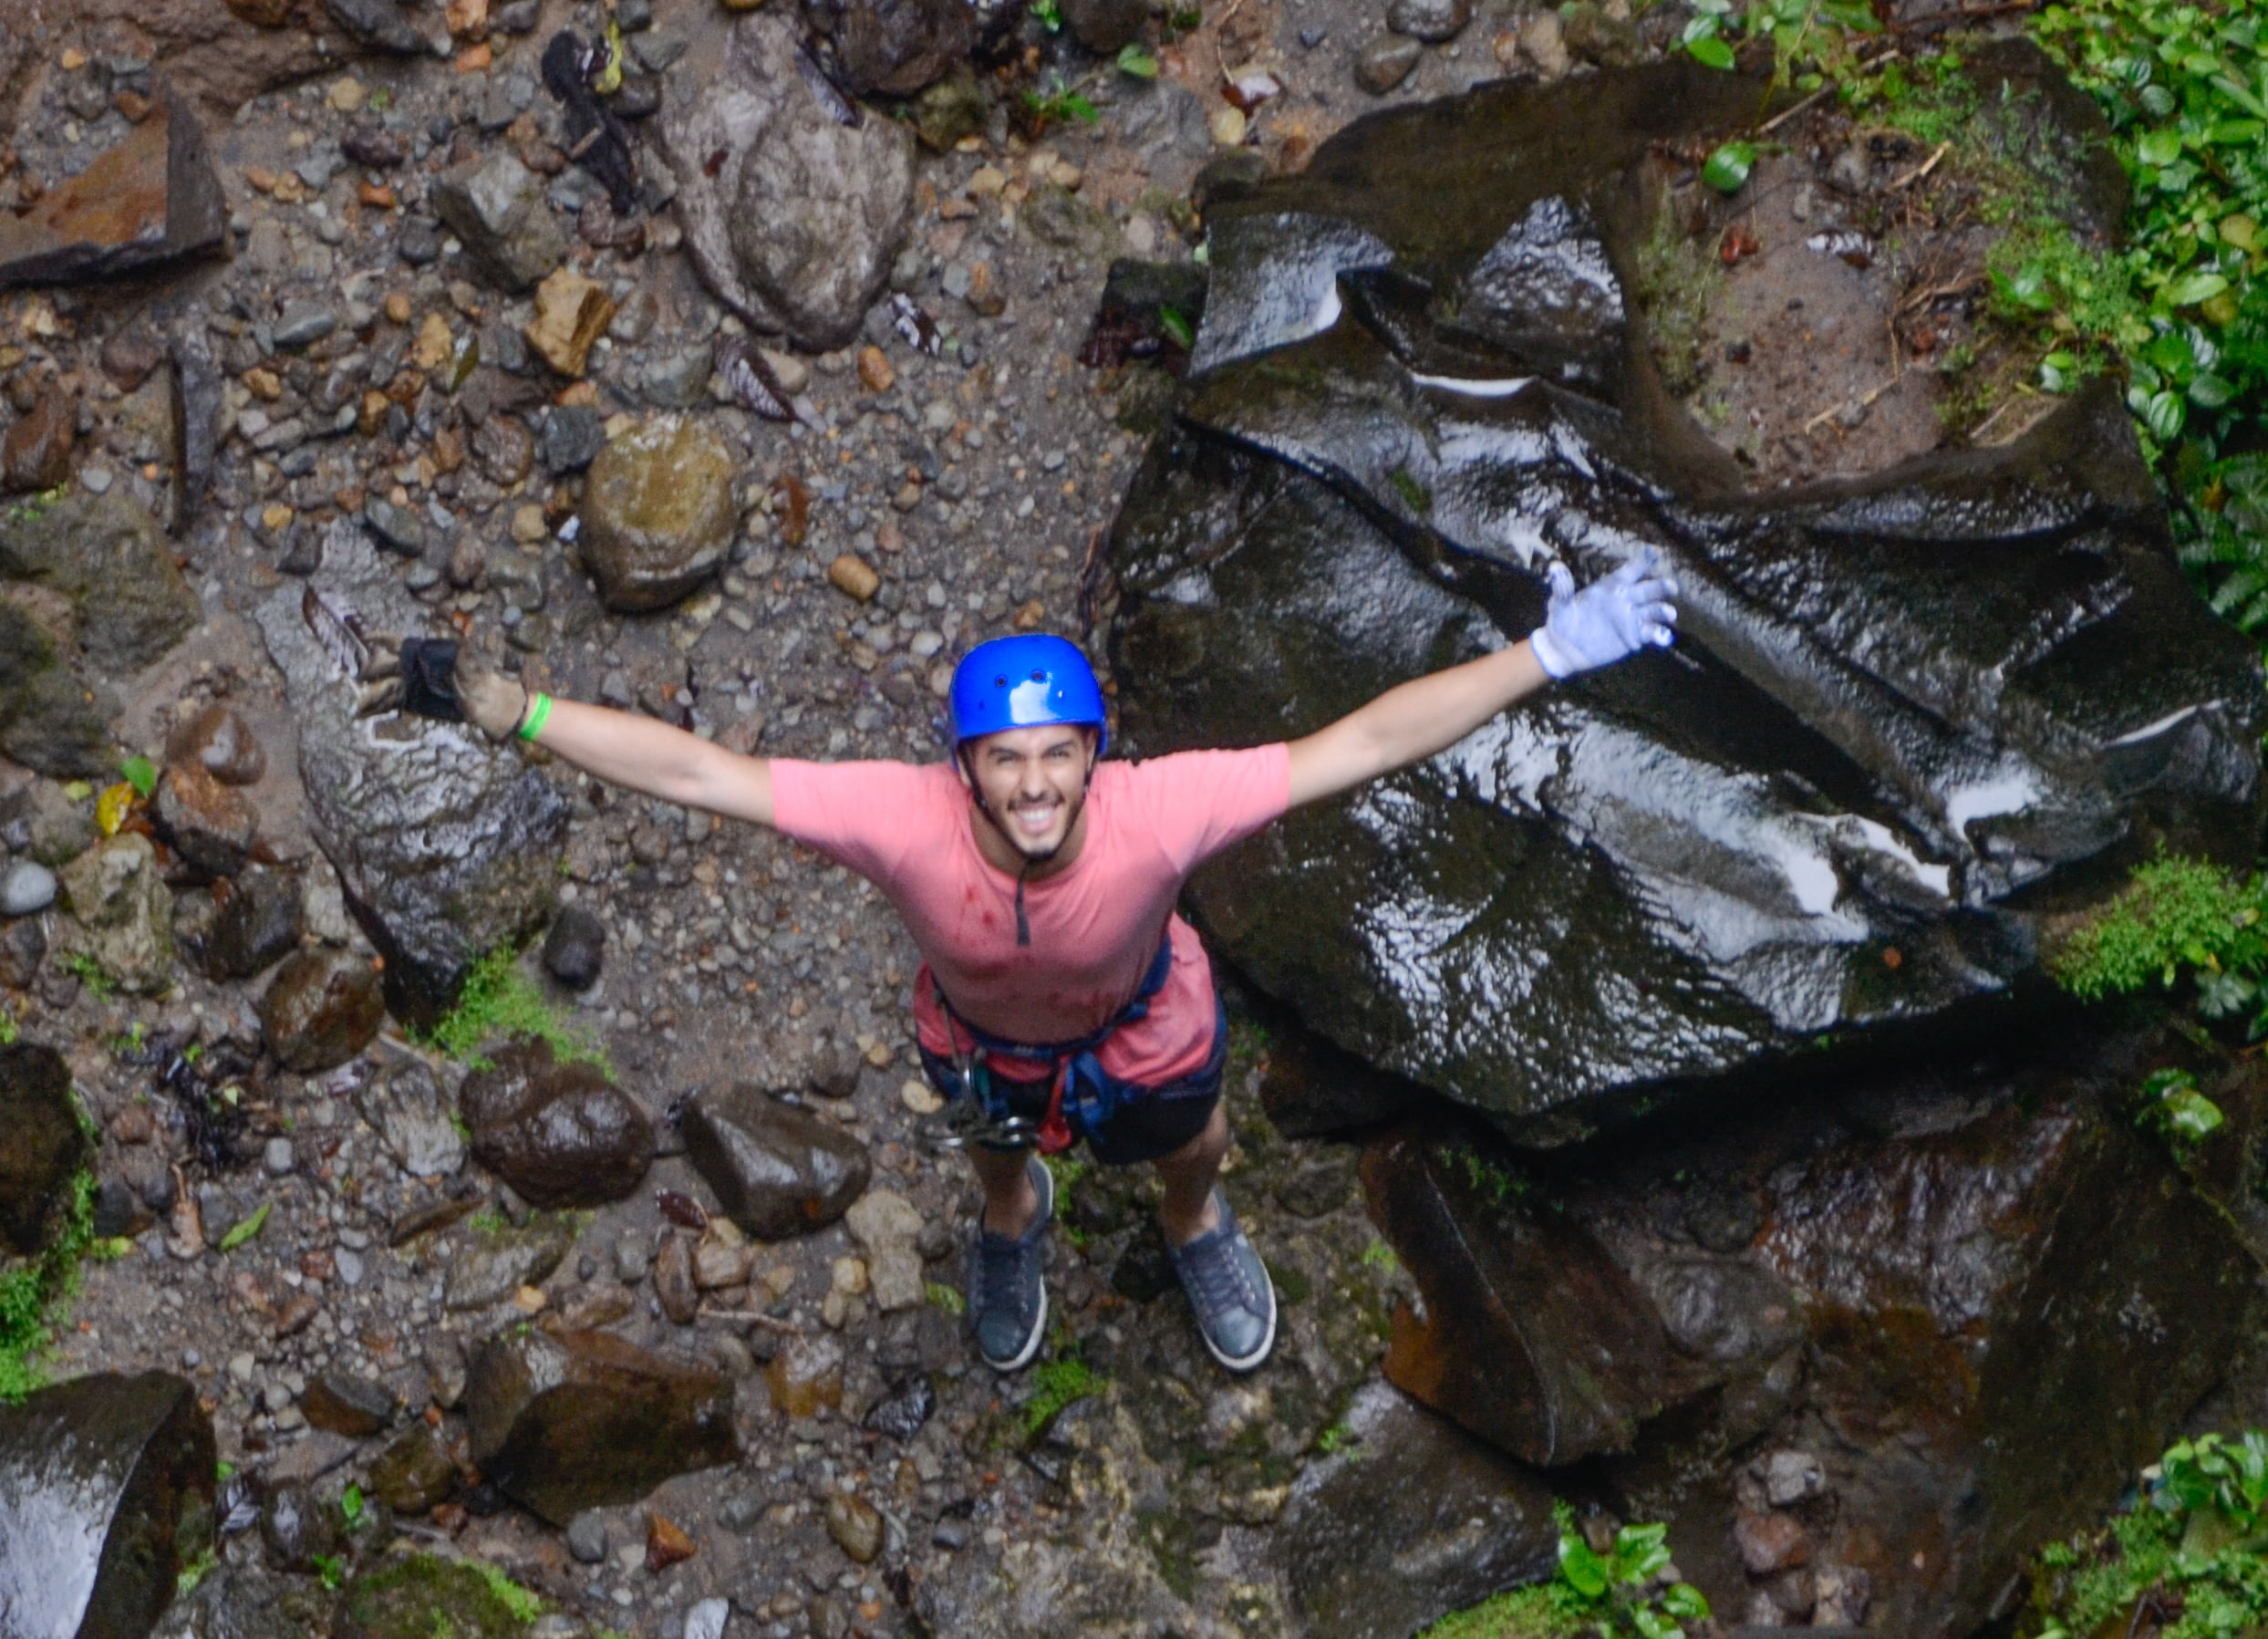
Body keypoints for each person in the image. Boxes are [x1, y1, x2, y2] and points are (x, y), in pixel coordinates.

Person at [400, 555, 1679, 1375]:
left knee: (1192, 1137)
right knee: (993, 1143)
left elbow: (1362, 742)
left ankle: (1192, 1221)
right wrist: (527, 715)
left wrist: (1549, 655)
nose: (1032, 783)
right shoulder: (896, 816)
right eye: (1004, 761)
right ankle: (1013, 1219)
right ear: (962, 767)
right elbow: (700, 772)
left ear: (1092, 755)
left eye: (1056, 753)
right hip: (980, 1035)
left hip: (1147, 1020)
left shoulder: (1162, 807)